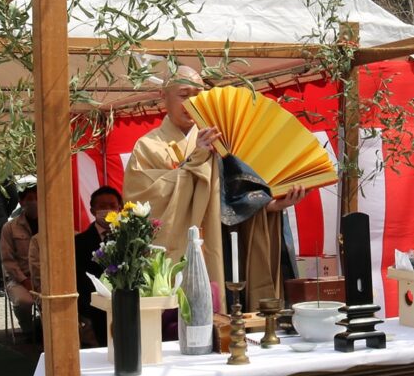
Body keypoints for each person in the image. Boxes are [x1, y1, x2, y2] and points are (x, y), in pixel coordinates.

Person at [122, 65, 307, 310]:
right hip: (181, 253)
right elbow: (145, 202)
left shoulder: (222, 141)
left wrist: (271, 205)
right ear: (162, 96)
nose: (192, 102)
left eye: (198, 95)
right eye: (184, 94)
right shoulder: (147, 147)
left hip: (221, 247)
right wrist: (194, 162)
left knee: (225, 314)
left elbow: (234, 200)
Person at [29, 185, 123, 347]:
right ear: (92, 210)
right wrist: (83, 313)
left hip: (124, 305)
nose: (107, 210)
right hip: (92, 310)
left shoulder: (130, 238)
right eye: (102, 207)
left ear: (120, 208)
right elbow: (76, 279)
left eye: (112, 206)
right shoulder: (78, 242)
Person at [0, 182, 39, 334]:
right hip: (19, 279)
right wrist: (24, 280)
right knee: (24, 301)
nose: (35, 202)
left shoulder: (50, 224)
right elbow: (7, 260)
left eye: (38, 197)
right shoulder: (10, 228)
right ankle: (28, 330)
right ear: (22, 202)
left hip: (44, 278)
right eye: (31, 198)